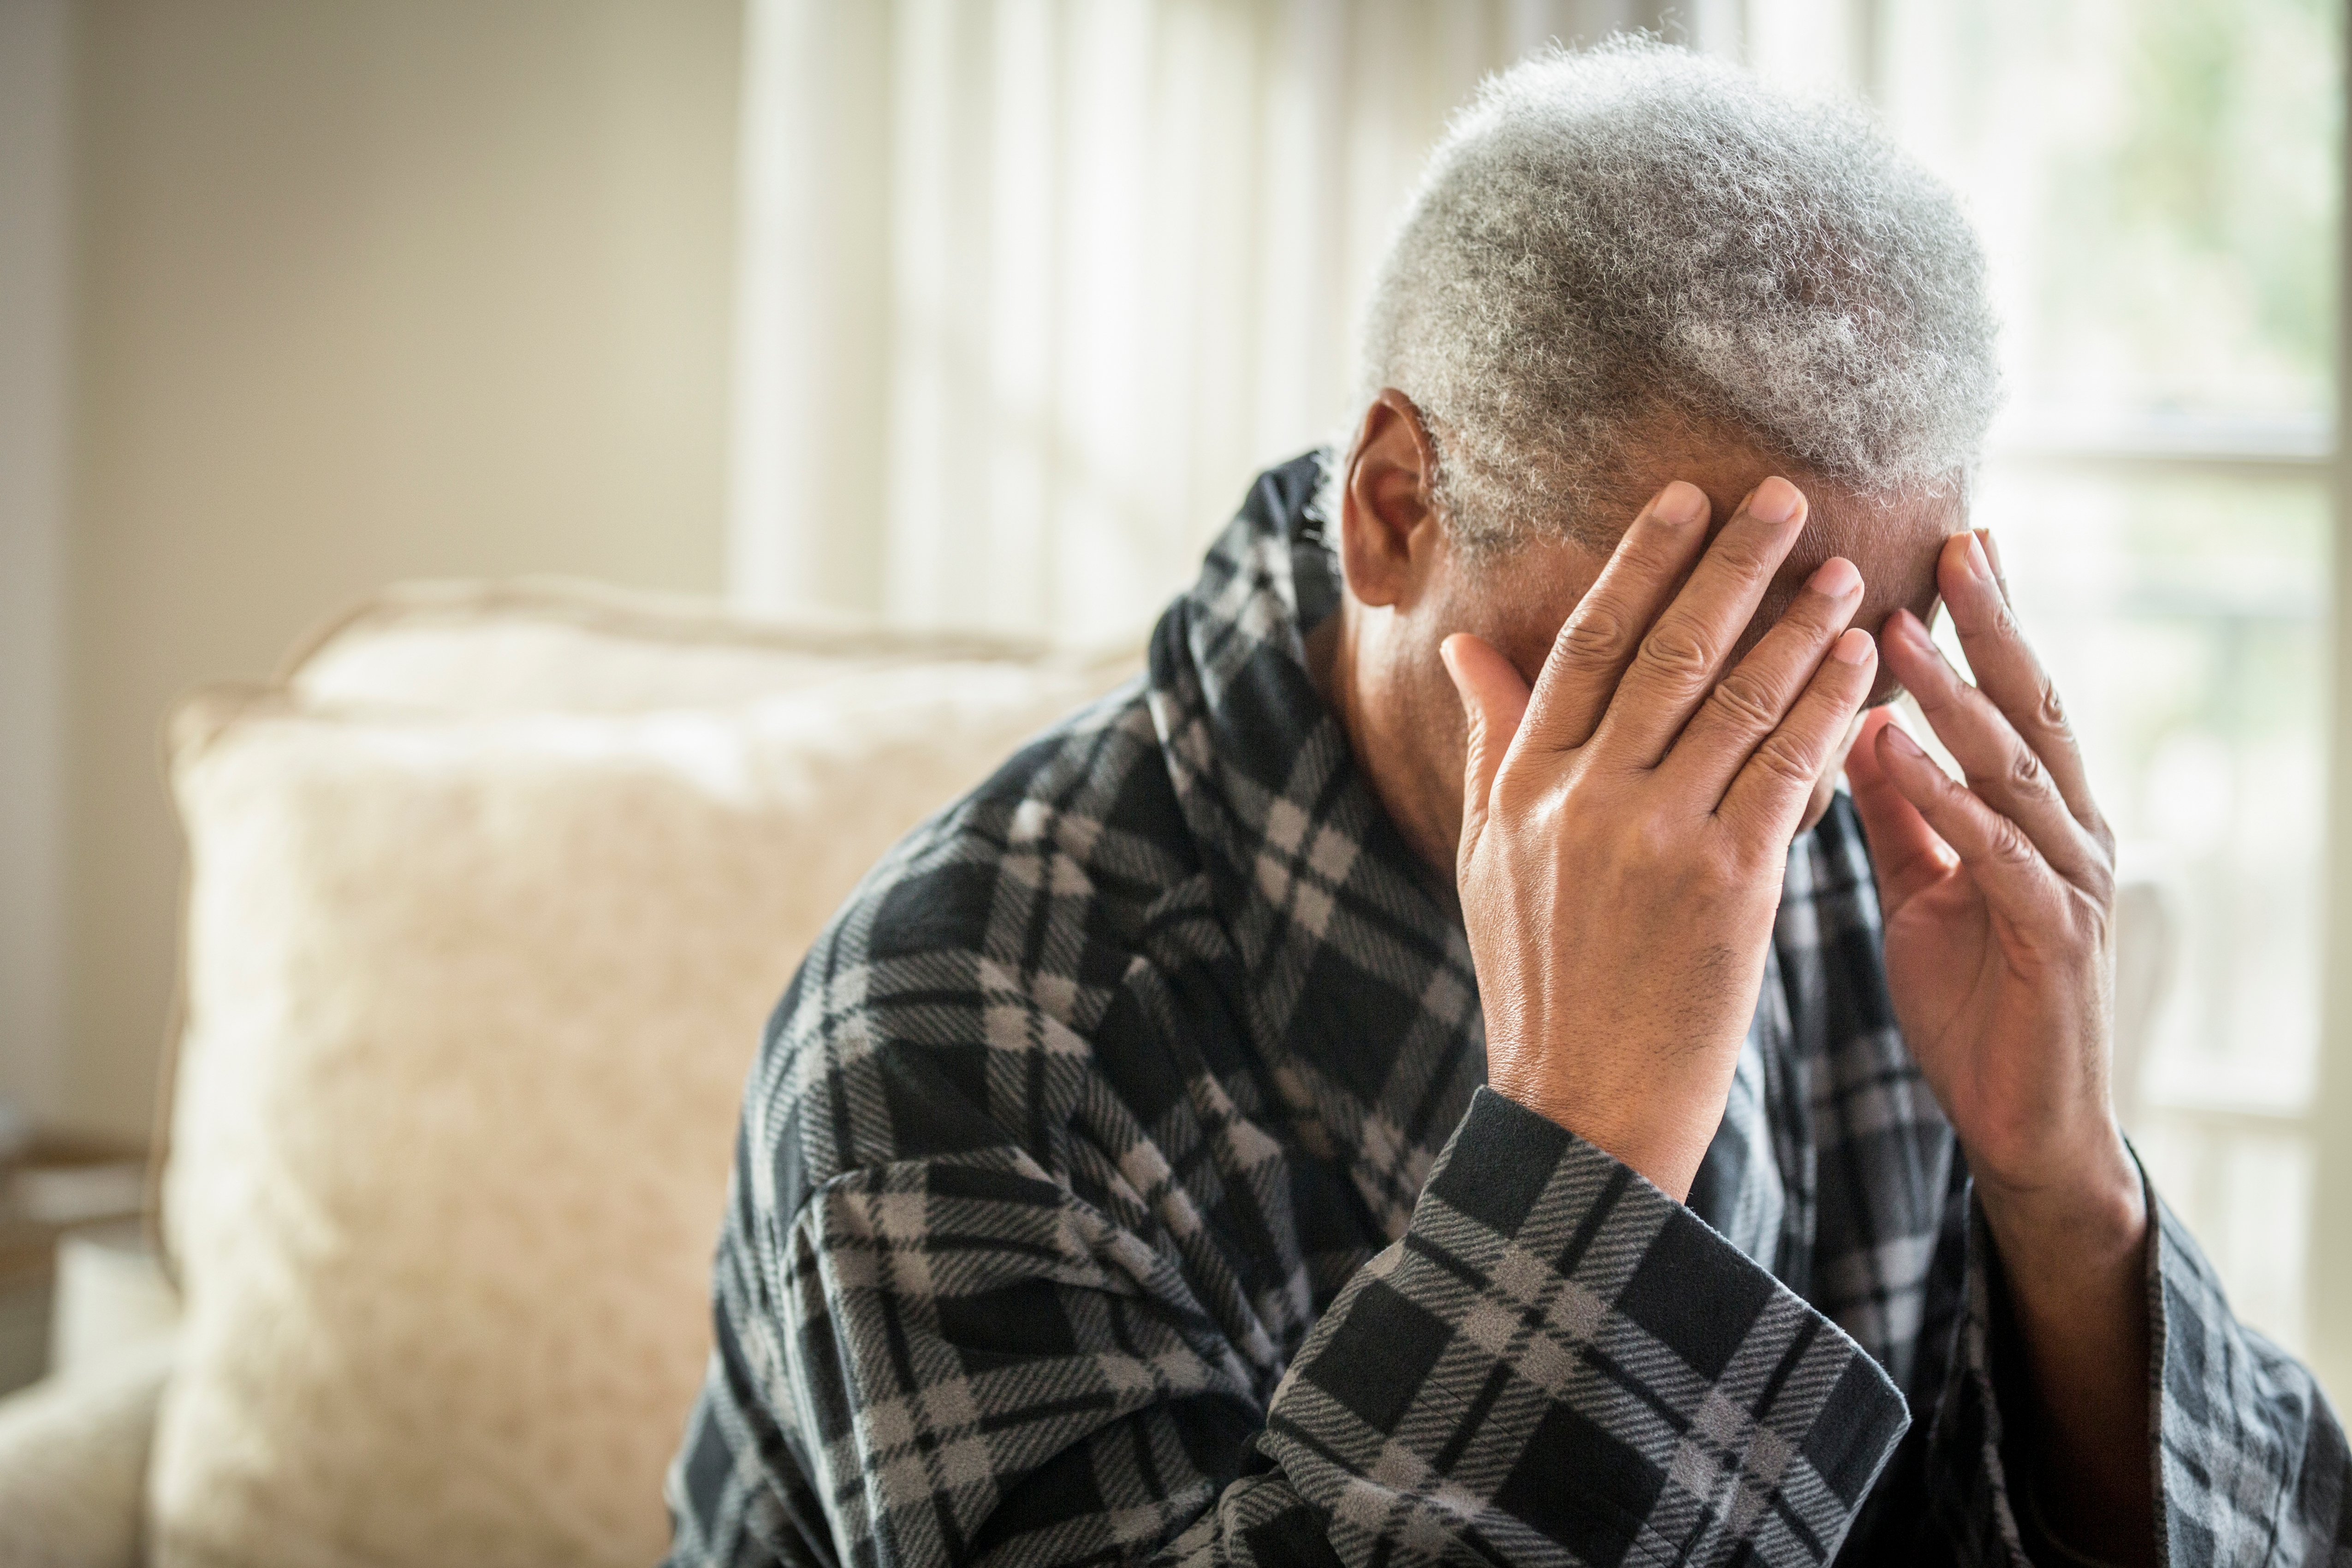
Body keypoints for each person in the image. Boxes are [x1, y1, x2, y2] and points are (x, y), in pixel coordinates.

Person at [663, 41, 2346, 1568]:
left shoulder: (1866, 858)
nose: (1776, 776)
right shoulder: (951, 1032)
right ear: (1397, 506)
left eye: (1861, 667)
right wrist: (1585, 1152)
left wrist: (2063, 1187)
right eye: (1690, 661)